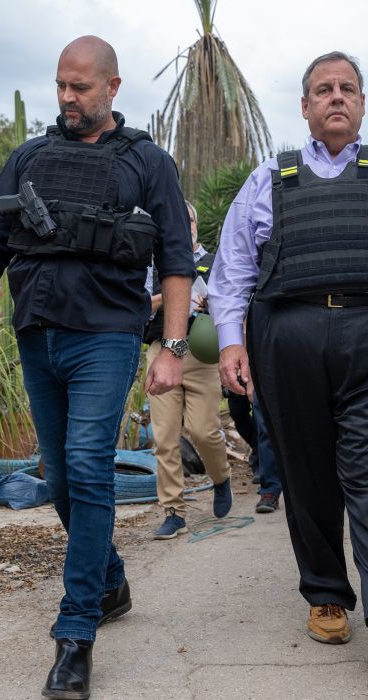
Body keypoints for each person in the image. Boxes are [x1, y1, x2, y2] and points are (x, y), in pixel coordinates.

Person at [209, 51, 368, 668]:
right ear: (304, 106)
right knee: (306, 471)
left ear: (362, 102)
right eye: (323, 90)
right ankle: (326, 596)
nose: (336, 98)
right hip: (289, 334)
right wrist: (230, 341)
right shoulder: (269, 178)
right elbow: (232, 269)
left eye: (347, 88)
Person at [0, 36, 194, 700]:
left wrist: (170, 348)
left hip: (108, 337)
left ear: (112, 88)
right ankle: (110, 580)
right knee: (60, 475)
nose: (68, 97)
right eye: (61, 85)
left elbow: (176, 261)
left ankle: (75, 635)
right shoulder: (28, 156)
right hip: (37, 335)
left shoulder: (148, 162)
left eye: (81, 87)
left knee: (88, 466)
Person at [145, 201, 232, 538]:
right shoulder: (152, 265)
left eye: (189, 220)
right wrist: (172, 295)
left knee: (203, 430)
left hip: (200, 353)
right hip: (161, 350)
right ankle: (174, 511)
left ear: (195, 225)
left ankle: (221, 477)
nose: (183, 225)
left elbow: (234, 299)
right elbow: (139, 303)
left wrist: (212, 303)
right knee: (165, 438)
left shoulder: (214, 263)